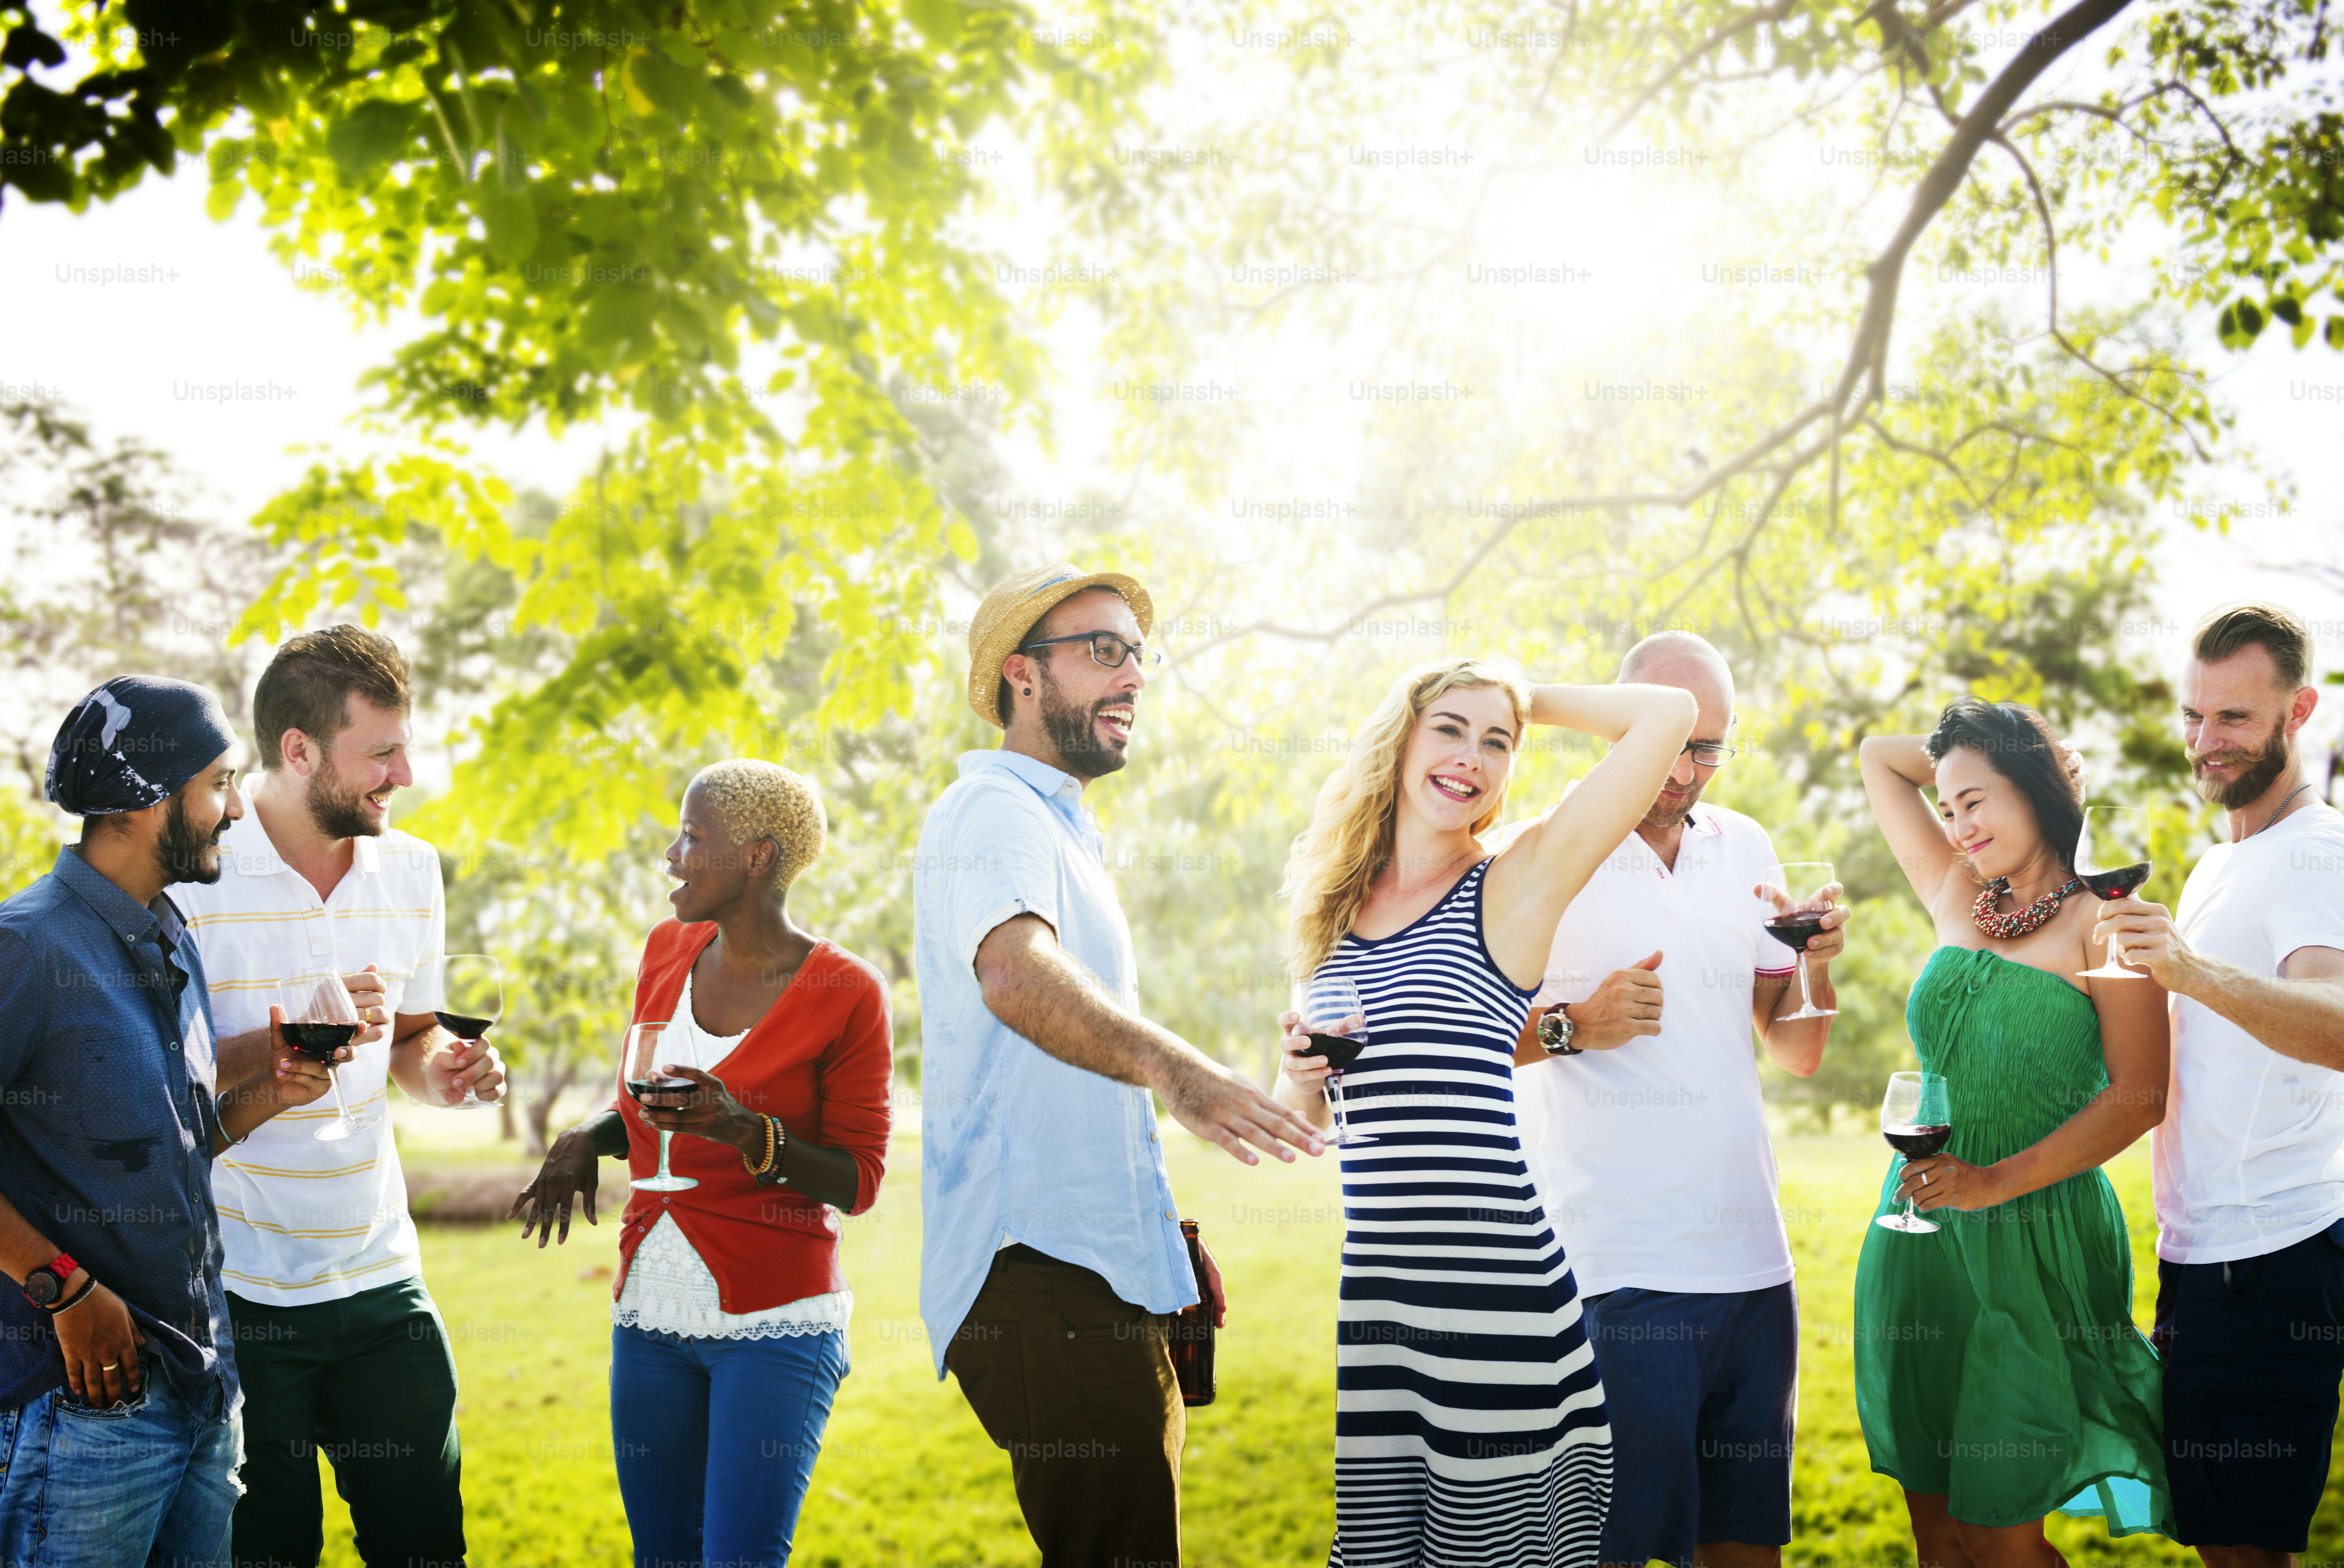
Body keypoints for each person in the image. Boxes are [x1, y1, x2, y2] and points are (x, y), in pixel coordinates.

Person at [913, 564, 1326, 1568]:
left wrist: (1156, 1243)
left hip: (1091, 1272)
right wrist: (1181, 1074)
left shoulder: (1059, 827)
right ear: (1022, 675)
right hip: (1043, 1276)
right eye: (1101, 650)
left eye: (1138, 655)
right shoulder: (994, 811)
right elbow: (1015, 973)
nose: (1133, 674)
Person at [1274, 654, 1700, 1568]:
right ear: (1399, 739)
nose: (1470, 757)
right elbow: (1307, 1119)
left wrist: (1515, 692)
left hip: (1492, 1295)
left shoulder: (1512, 881)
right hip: (1379, 1300)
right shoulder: (1333, 913)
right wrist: (1298, 1073)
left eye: (1495, 742)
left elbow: (1668, 713)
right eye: (1448, 729)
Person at [1504, 631, 1848, 1568]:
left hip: (1751, 1267)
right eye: (1670, 739)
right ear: (1615, 726)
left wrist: (1816, 967)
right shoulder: (1533, 856)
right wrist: (1580, 1021)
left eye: (1709, 745)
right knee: (1607, 1550)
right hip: (1615, 1270)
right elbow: (1463, 1036)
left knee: (1742, 1550)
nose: (1686, 767)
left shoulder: (1746, 845)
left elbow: (1795, 1046)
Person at [174, 626, 503, 1568]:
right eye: (381, 752)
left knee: (425, 1544)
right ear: (298, 750)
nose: (403, 773)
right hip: (237, 1288)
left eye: (405, 746)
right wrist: (290, 1030)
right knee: (267, 1551)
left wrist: (442, 1066)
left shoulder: (409, 866)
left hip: (379, 1276)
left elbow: (408, 1034)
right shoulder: (197, 871)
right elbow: (154, 1067)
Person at [513, 759, 891, 1568]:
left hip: (774, 1324)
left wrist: (744, 1129)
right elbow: (646, 1103)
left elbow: (859, 1178)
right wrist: (588, 1134)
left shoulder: (846, 988)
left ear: (757, 857)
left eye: (692, 836)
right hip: (650, 1314)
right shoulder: (667, 948)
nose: (671, 854)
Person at [0, 677, 338, 1568]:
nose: (234, 808)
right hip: (78, 1415)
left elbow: (171, 1140)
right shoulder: (28, 945)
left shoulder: (168, 933)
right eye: (218, 783)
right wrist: (63, 1288)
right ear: (151, 798)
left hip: (196, 1391)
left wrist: (268, 1095)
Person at [1854, 698, 2174, 1562]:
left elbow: (2139, 1095)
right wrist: (1966, 762)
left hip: (2032, 1236)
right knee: (1937, 1529)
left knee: (1999, 1533)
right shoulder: (1960, 892)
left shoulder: (2105, 916)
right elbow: (1877, 758)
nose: (1955, 825)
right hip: (1917, 1228)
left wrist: (1988, 1182)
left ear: (2036, 788)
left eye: (1976, 801)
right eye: (1946, 807)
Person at [2092, 602, 2344, 1568]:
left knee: (2244, 1551)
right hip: (2203, 1259)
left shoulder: (2314, 853)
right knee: (2220, 1542)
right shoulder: (2218, 861)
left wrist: (2190, 971)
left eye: (2233, 718)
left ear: (2300, 710)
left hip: (2272, 1258)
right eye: (2193, 715)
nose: (2205, 741)